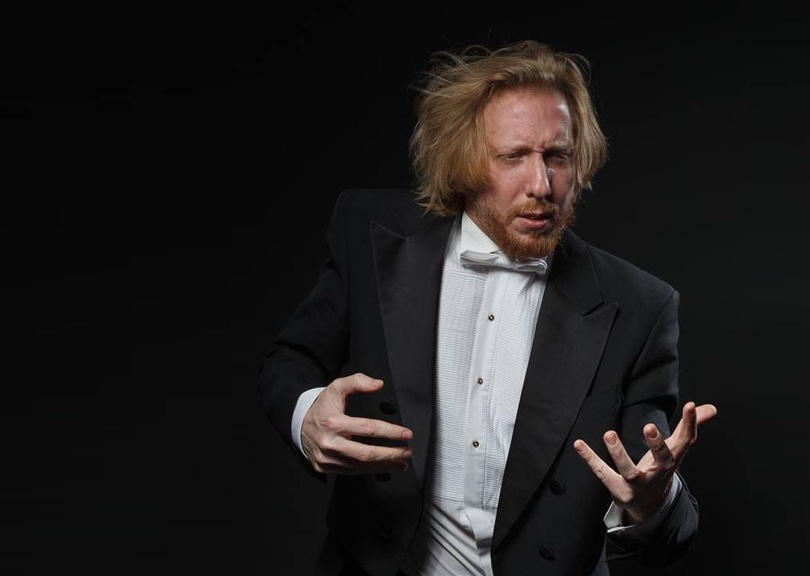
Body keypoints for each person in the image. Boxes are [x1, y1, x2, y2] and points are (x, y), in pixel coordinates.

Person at [256, 39, 718, 576]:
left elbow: (656, 497)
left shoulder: (640, 305)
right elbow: (288, 361)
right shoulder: (372, 233)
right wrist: (307, 415)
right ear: (465, 160)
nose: (542, 185)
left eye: (558, 156)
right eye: (513, 157)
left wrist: (651, 502)